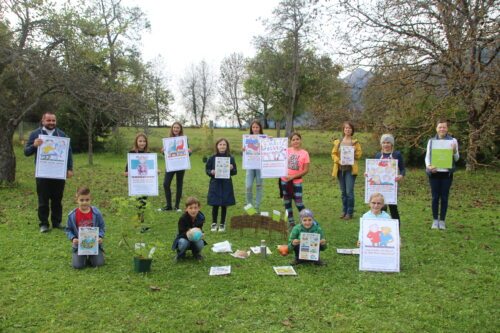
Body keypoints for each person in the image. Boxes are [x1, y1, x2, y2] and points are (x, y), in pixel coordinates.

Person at [24, 112, 74, 233]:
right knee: (43, 200)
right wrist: (34, 146)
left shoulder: (61, 135)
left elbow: (69, 153)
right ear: (43, 121)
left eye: (53, 121)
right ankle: (44, 224)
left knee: (57, 199)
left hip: (58, 174)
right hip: (43, 174)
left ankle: (56, 222)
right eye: (48, 120)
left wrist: (70, 168)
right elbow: (26, 152)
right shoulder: (35, 134)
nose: (51, 123)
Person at [425, 119, 459, 230]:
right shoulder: (431, 141)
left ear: (447, 129)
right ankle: (435, 220)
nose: (442, 129)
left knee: (444, 197)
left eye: (444, 127)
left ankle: (442, 221)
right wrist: (429, 166)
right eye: (440, 127)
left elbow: (457, 158)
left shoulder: (453, 141)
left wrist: (454, 151)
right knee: (435, 197)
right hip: (434, 173)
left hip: (446, 174)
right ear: (436, 129)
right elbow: (427, 157)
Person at [65, 186, 105, 269]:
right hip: (79, 244)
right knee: (78, 266)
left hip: (94, 243)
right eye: (81, 200)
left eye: (87, 200)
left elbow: (102, 227)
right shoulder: (72, 215)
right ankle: (82, 257)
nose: (84, 202)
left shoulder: (96, 213)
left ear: (90, 199)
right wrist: (73, 238)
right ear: (77, 200)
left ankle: (92, 256)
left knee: (98, 264)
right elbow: (68, 230)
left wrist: (100, 237)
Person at [331, 121, 362, 220]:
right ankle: (344, 211)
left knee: (349, 192)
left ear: (352, 130)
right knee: (343, 192)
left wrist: (353, 152)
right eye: (346, 128)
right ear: (343, 130)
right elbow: (333, 154)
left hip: (350, 170)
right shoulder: (338, 142)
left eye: (349, 128)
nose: (347, 130)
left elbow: (359, 155)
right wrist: (338, 160)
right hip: (340, 170)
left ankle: (350, 212)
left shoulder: (355, 142)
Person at [206, 138, 237, 232]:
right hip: (215, 184)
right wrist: (211, 171)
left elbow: (235, 172)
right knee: (215, 204)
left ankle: (222, 223)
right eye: (220, 144)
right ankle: (214, 223)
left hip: (226, 184)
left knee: (224, 204)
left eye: (224, 144)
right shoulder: (212, 158)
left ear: (227, 146)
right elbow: (207, 170)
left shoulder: (231, 158)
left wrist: (232, 168)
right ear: (217, 146)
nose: (222, 146)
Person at [374, 134, 406, 226]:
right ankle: (381, 227)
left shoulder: (397, 154)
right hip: (380, 186)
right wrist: (368, 174)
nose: (386, 145)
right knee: (381, 208)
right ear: (381, 144)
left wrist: (401, 175)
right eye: (384, 142)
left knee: (393, 208)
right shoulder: (378, 155)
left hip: (392, 187)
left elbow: (403, 169)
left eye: (388, 142)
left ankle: (396, 230)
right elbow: (374, 169)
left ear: (392, 144)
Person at [280, 132, 310, 229]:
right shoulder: (286, 151)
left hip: (296, 182)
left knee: (299, 203)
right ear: (290, 142)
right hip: (284, 181)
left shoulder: (305, 153)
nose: (295, 141)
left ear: (300, 140)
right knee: (287, 202)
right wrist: (270, 140)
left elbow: (306, 170)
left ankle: (307, 220)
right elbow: (274, 150)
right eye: (293, 139)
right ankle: (291, 221)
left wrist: (293, 177)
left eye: (297, 139)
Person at [160, 122, 190, 212]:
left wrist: (189, 151)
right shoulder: (168, 140)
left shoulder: (184, 140)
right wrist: (163, 151)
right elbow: (166, 154)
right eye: (174, 127)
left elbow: (187, 153)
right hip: (171, 165)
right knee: (166, 184)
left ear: (180, 129)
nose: (176, 129)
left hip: (181, 165)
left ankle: (177, 206)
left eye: (177, 128)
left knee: (179, 184)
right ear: (172, 129)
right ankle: (169, 206)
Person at [124, 133, 149, 228]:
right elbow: (127, 169)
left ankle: (141, 220)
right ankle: (140, 222)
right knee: (138, 202)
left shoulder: (149, 154)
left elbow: (151, 168)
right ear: (136, 142)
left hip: (146, 183)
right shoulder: (132, 154)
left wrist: (156, 171)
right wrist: (127, 173)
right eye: (140, 141)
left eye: (144, 141)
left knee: (144, 202)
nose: (142, 143)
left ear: (146, 143)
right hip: (136, 183)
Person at [172, 197, 206, 261]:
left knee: (201, 243)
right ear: (186, 209)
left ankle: (196, 253)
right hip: (184, 238)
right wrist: (189, 233)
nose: (193, 210)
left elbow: (200, 229)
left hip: (195, 239)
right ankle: (181, 254)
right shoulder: (182, 219)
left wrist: (201, 233)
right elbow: (181, 233)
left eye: (195, 208)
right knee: (183, 243)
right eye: (190, 208)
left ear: (199, 208)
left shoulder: (201, 217)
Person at [244, 120, 265, 211]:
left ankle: (256, 206)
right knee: (248, 186)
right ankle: (249, 206)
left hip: (260, 166)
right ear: (251, 128)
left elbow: (270, 148)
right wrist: (244, 149)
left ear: (260, 128)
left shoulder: (264, 138)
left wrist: (271, 140)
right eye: (253, 127)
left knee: (259, 186)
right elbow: (246, 152)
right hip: (250, 166)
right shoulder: (247, 138)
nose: (255, 129)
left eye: (257, 127)